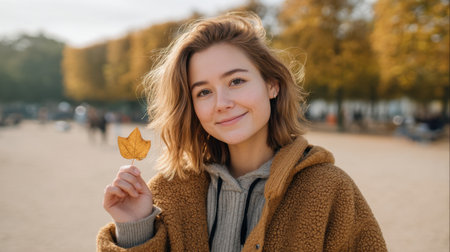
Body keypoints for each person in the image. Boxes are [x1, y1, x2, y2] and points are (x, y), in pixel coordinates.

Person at [97, 12, 387, 251]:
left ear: (272, 84)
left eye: (236, 81)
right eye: (204, 92)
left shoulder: (328, 189)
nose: (222, 103)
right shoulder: (168, 192)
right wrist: (135, 228)